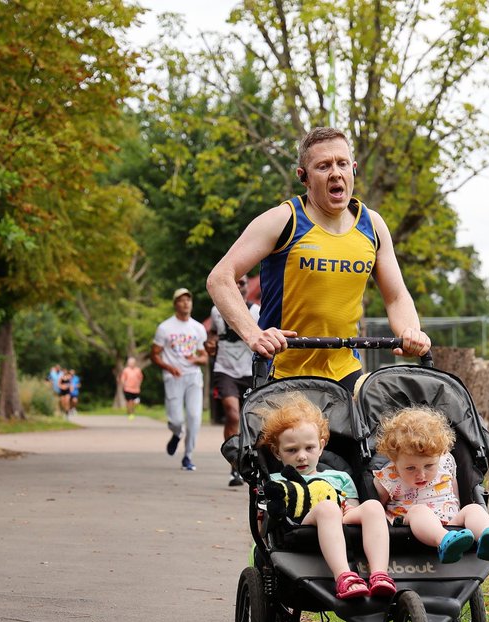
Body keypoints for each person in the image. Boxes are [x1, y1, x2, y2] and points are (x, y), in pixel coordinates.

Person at [205, 126, 430, 393]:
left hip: (345, 371)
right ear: (304, 177)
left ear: (353, 169)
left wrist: (410, 331)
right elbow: (220, 278)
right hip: (284, 372)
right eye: (323, 166)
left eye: (342, 164)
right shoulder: (283, 220)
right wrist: (253, 334)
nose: (335, 173)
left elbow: (396, 296)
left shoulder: (372, 225)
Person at [257, 392, 395, 599]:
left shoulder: (339, 477)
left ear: (321, 446)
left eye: (309, 448)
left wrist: (350, 508)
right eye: (292, 450)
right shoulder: (276, 480)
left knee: (373, 507)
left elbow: (353, 508)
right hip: (299, 525)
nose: (301, 456)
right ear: (277, 453)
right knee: (328, 508)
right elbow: (264, 522)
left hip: (342, 520)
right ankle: (344, 576)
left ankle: (380, 574)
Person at [372, 406, 489, 563]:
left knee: (473, 509)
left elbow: (454, 494)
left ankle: (487, 537)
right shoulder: (389, 477)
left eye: (429, 466)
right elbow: (376, 509)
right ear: (394, 461)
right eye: (410, 468)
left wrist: (460, 513)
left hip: (452, 524)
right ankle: (444, 542)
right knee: (419, 511)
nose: (421, 475)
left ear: (440, 455)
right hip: (412, 527)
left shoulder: (446, 462)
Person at [208, 275, 260, 486]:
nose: (238, 286)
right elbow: (213, 335)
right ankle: (234, 466)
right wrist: (210, 344)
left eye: (242, 283)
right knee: (231, 413)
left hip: (249, 370)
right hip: (225, 369)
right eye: (235, 282)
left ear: (248, 287)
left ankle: (252, 462)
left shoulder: (256, 312)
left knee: (252, 420)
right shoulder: (216, 311)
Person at [151, 288, 209, 471]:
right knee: (176, 420)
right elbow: (154, 354)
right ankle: (177, 433)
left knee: (194, 417)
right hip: (173, 377)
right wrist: (169, 367)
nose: (186, 303)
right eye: (182, 300)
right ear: (175, 304)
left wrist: (196, 360)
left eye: (188, 300)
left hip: (193, 377)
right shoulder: (165, 328)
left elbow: (204, 357)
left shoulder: (198, 328)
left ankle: (188, 456)